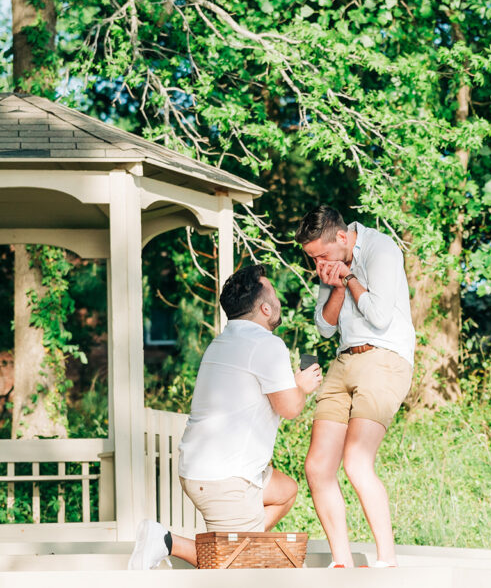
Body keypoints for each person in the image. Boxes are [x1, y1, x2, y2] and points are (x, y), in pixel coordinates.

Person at [128, 264, 323, 570]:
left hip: (200, 469)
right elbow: (290, 407)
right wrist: (302, 386)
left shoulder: (222, 342)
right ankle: (165, 540)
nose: (279, 300)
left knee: (285, 491)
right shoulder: (266, 344)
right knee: (235, 566)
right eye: (274, 293)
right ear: (264, 307)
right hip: (226, 479)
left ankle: (245, 538)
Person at [295, 205, 415, 569]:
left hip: (384, 357)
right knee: (317, 467)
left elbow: (379, 317)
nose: (318, 265)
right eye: (312, 259)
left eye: (322, 255)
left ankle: (387, 559)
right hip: (344, 360)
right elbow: (325, 327)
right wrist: (334, 286)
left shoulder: (382, 250)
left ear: (343, 238)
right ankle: (342, 562)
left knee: (357, 462)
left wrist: (349, 278)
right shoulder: (328, 268)